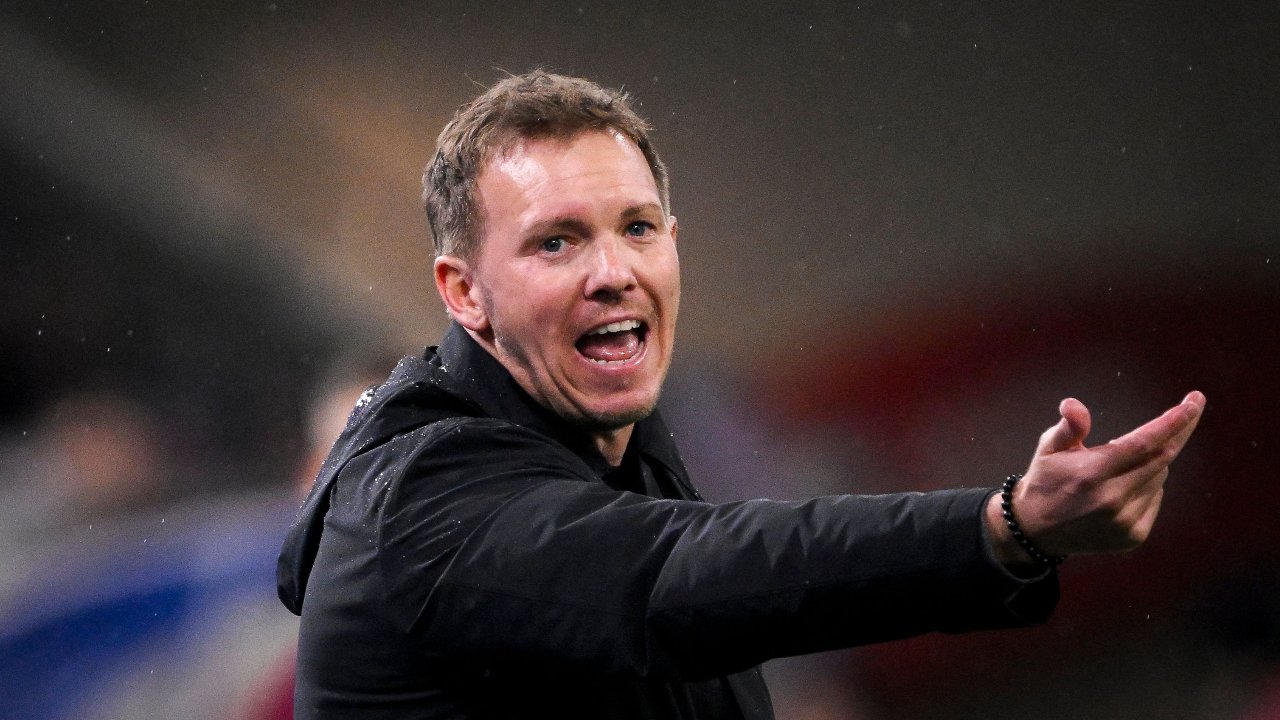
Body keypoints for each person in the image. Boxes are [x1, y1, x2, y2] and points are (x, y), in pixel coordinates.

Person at [277, 70, 1204, 719]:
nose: (614, 271)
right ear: (462, 291)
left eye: (637, 228)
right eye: (555, 242)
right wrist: (1000, 526)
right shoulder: (424, 497)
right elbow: (682, 578)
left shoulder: (622, 452)